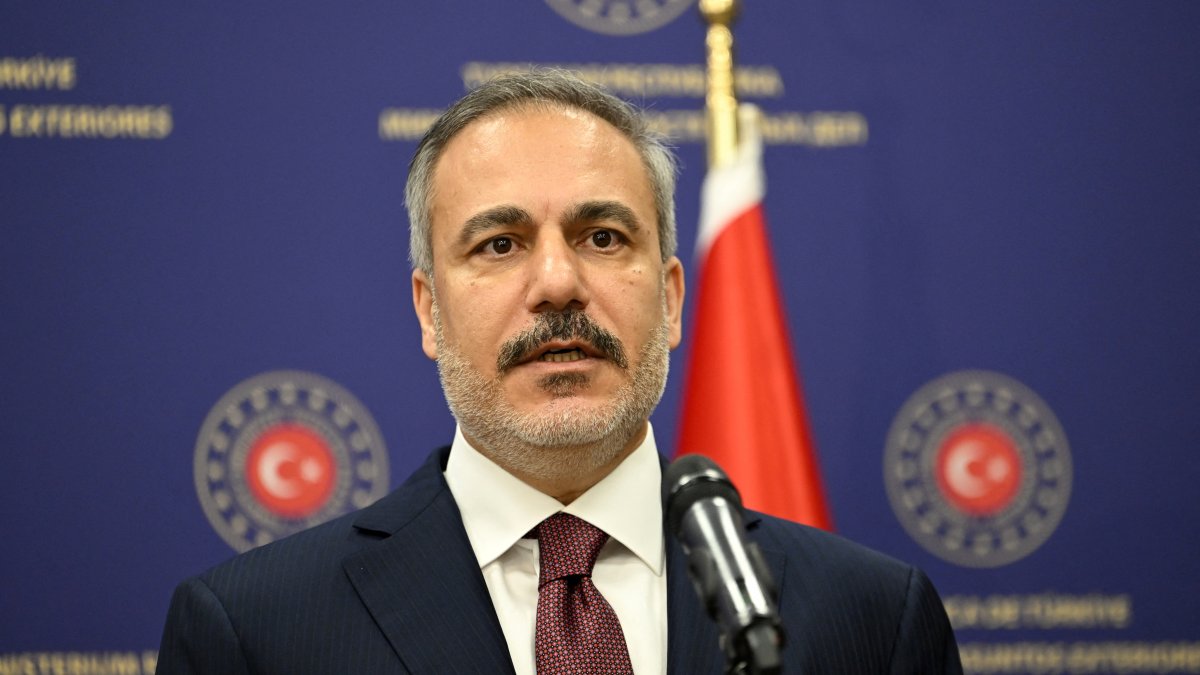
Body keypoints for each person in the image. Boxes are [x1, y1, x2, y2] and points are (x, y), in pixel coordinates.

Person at [156, 70, 962, 674]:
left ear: (673, 300)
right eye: (498, 244)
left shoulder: (870, 621)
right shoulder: (255, 630)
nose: (557, 282)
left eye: (603, 236)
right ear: (430, 311)